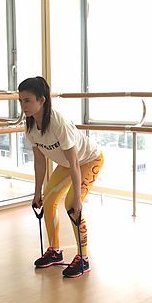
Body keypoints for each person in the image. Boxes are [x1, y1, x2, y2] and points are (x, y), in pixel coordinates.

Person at [19, 76, 104, 278]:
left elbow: (75, 163)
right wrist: (37, 192)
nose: (23, 106)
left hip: (88, 161)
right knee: (48, 200)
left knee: (70, 206)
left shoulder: (59, 124)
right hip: (67, 164)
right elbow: (40, 162)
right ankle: (55, 251)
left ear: (42, 100)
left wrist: (77, 198)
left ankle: (83, 258)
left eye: (28, 100)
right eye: (21, 100)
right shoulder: (30, 126)